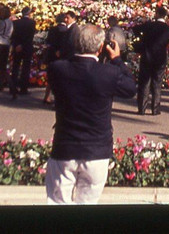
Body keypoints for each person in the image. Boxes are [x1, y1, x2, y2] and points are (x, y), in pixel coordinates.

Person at [45, 24, 137, 204]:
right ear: (101, 47)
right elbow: (130, 89)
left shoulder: (57, 69)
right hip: (96, 150)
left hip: (65, 146)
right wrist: (117, 59)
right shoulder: (108, 73)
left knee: (57, 203)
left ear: (76, 43)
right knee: (87, 204)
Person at [133, 6, 169, 115]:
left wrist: (142, 40)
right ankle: (155, 109)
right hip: (160, 57)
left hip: (147, 55)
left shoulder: (149, 25)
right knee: (157, 83)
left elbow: (135, 28)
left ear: (157, 14)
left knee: (144, 82)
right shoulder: (168, 29)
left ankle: (142, 108)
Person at [43, 11, 78, 105]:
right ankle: (53, 98)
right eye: (65, 18)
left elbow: (70, 44)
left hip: (62, 56)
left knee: (56, 78)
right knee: (57, 78)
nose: (66, 20)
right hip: (61, 56)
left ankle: (52, 98)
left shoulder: (73, 29)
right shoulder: (67, 29)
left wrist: (60, 51)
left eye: (68, 18)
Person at [9, 5, 37, 98]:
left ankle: (13, 87)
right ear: (29, 13)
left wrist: (17, 45)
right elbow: (30, 36)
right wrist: (23, 45)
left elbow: (13, 35)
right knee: (25, 68)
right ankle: (23, 88)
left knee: (15, 67)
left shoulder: (16, 23)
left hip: (17, 47)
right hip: (26, 47)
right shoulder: (32, 23)